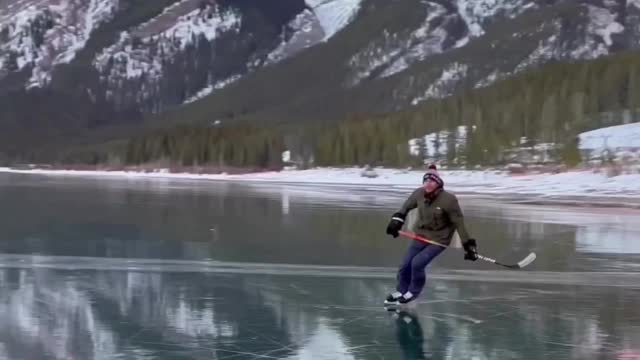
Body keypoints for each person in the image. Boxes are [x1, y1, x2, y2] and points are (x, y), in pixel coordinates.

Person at [384, 164, 478, 305]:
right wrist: (396, 222)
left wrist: (468, 245)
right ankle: (401, 290)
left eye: (432, 181)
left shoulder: (449, 200)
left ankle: (413, 292)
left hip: (439, 240)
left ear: (438, 184)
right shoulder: (419, 194)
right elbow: (405, 208)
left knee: (417, 264)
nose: (428, 184)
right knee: (405, 265)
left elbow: (459, 223)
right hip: (420, 236)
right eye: (426, 181)